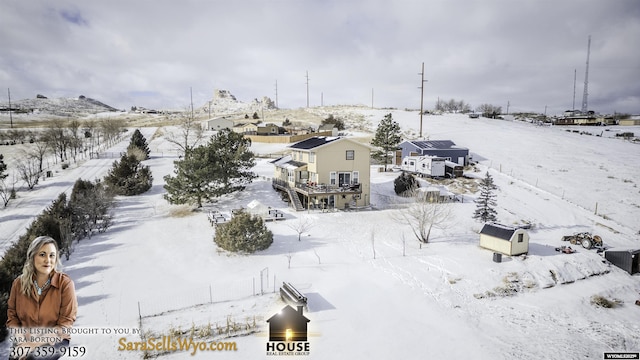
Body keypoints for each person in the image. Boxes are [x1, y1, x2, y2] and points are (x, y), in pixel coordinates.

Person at [7, 236, 78, 360]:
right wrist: (20, 341)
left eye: (52, 255)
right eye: (42, 254)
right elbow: (12, 318)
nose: (48, 260)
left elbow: (65, 324)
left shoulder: (65, 284)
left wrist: (32, 344)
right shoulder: (18, 284)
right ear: (32, 256)